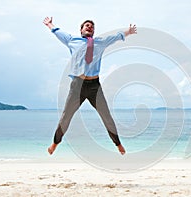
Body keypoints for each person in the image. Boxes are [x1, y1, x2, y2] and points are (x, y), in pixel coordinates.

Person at [43, 17, 137, 155]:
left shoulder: (100, 42)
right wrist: (50, 24)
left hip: (94, 86)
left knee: (106, 116)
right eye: (87, 25)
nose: (90, 27)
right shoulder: (72, 40)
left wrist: (128, 32)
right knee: (66, 116)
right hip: (77, 85)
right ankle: (55, 143)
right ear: (81, 30)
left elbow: (116, 37)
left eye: (92, 26)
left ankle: (118, 144)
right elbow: (58, 32)